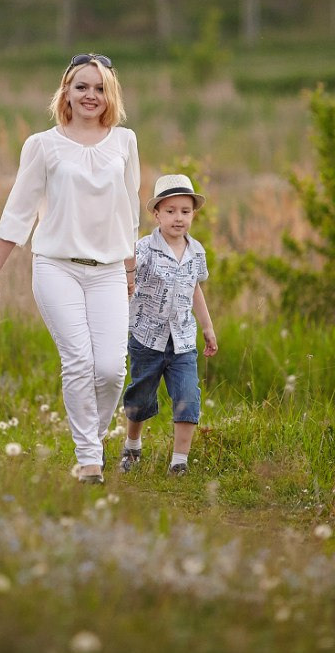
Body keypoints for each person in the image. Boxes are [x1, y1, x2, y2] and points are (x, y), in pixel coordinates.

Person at [0, 53, 140, 485]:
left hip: (108, 270)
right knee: (78, 361)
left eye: (99, 88)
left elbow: (131, 213)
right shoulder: (42, 145)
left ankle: (93, 437)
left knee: (110, 369)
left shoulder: (125, 142)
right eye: (81, 86)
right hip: (56, 267)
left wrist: (130, 269)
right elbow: (19, 212)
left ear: (111, 95)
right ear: (65, 92)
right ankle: (89, 458)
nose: (90, 95)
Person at [118, 174, 217, 476]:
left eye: (185, 212)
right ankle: (132, 445)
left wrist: (208, 327)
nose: (178, 218)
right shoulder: (144, 248)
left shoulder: (196, 252)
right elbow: (127, 277)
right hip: (147, 337)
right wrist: (128, 281)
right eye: (171, 211)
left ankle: (179, 461)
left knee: (188, 395)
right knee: (142, 395)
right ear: (156, 213)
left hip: (183, 339)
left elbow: (194, 289)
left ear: (192, 215)